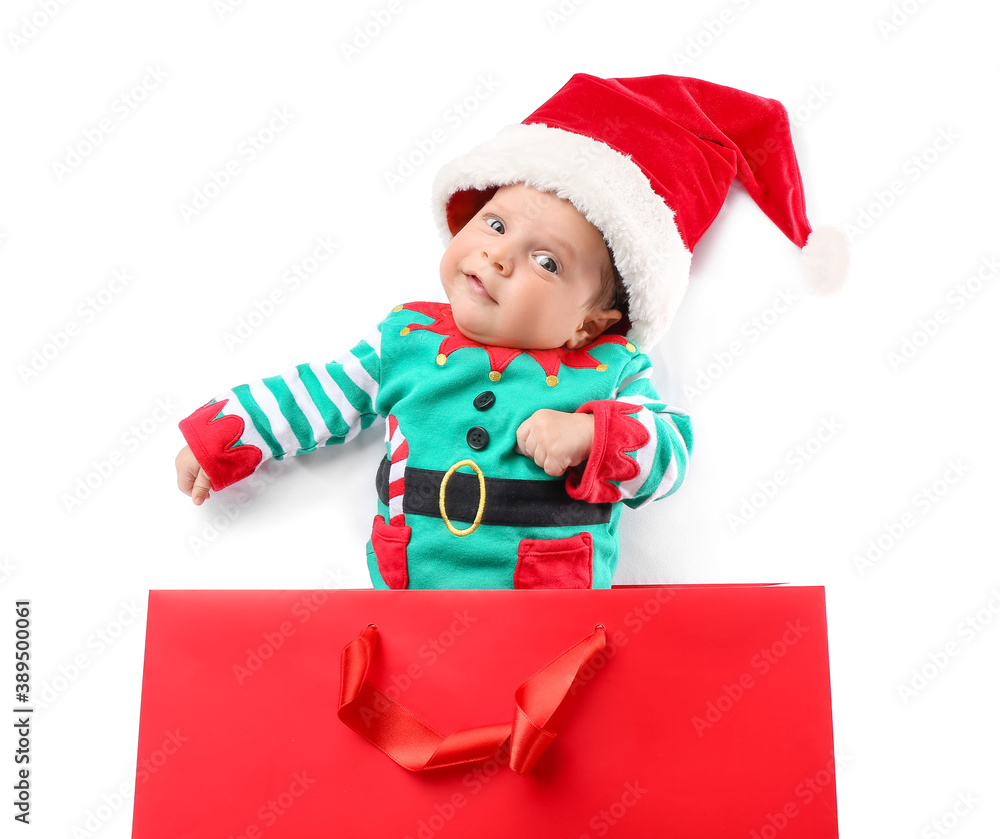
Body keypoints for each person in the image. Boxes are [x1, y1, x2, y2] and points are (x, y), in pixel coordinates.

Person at [175, 73, 845, 589]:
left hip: (553, 623)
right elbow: (320, 394)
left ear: (594, 320)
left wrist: (593, 436)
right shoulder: (406, 340)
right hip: (410, 604)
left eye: (546, 261)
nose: (498, 255)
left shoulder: (611, 371)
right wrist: (230, 434)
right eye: (495, 224)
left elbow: (669, 455)